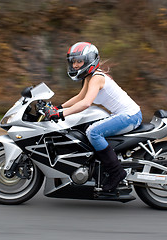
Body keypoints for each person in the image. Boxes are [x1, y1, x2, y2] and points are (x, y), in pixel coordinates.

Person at [45, 42, 142, 192]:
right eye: (73, 61)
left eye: (79, 61)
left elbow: (85, 103)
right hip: (122, 115)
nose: (76, 65)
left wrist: (61, 114)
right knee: (84, 127)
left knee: (93, 132)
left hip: (130, 116)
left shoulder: (96, 77)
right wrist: (58, 107)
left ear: (90, 60)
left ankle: (117, 173)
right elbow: (79, 97)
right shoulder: (89, 77)